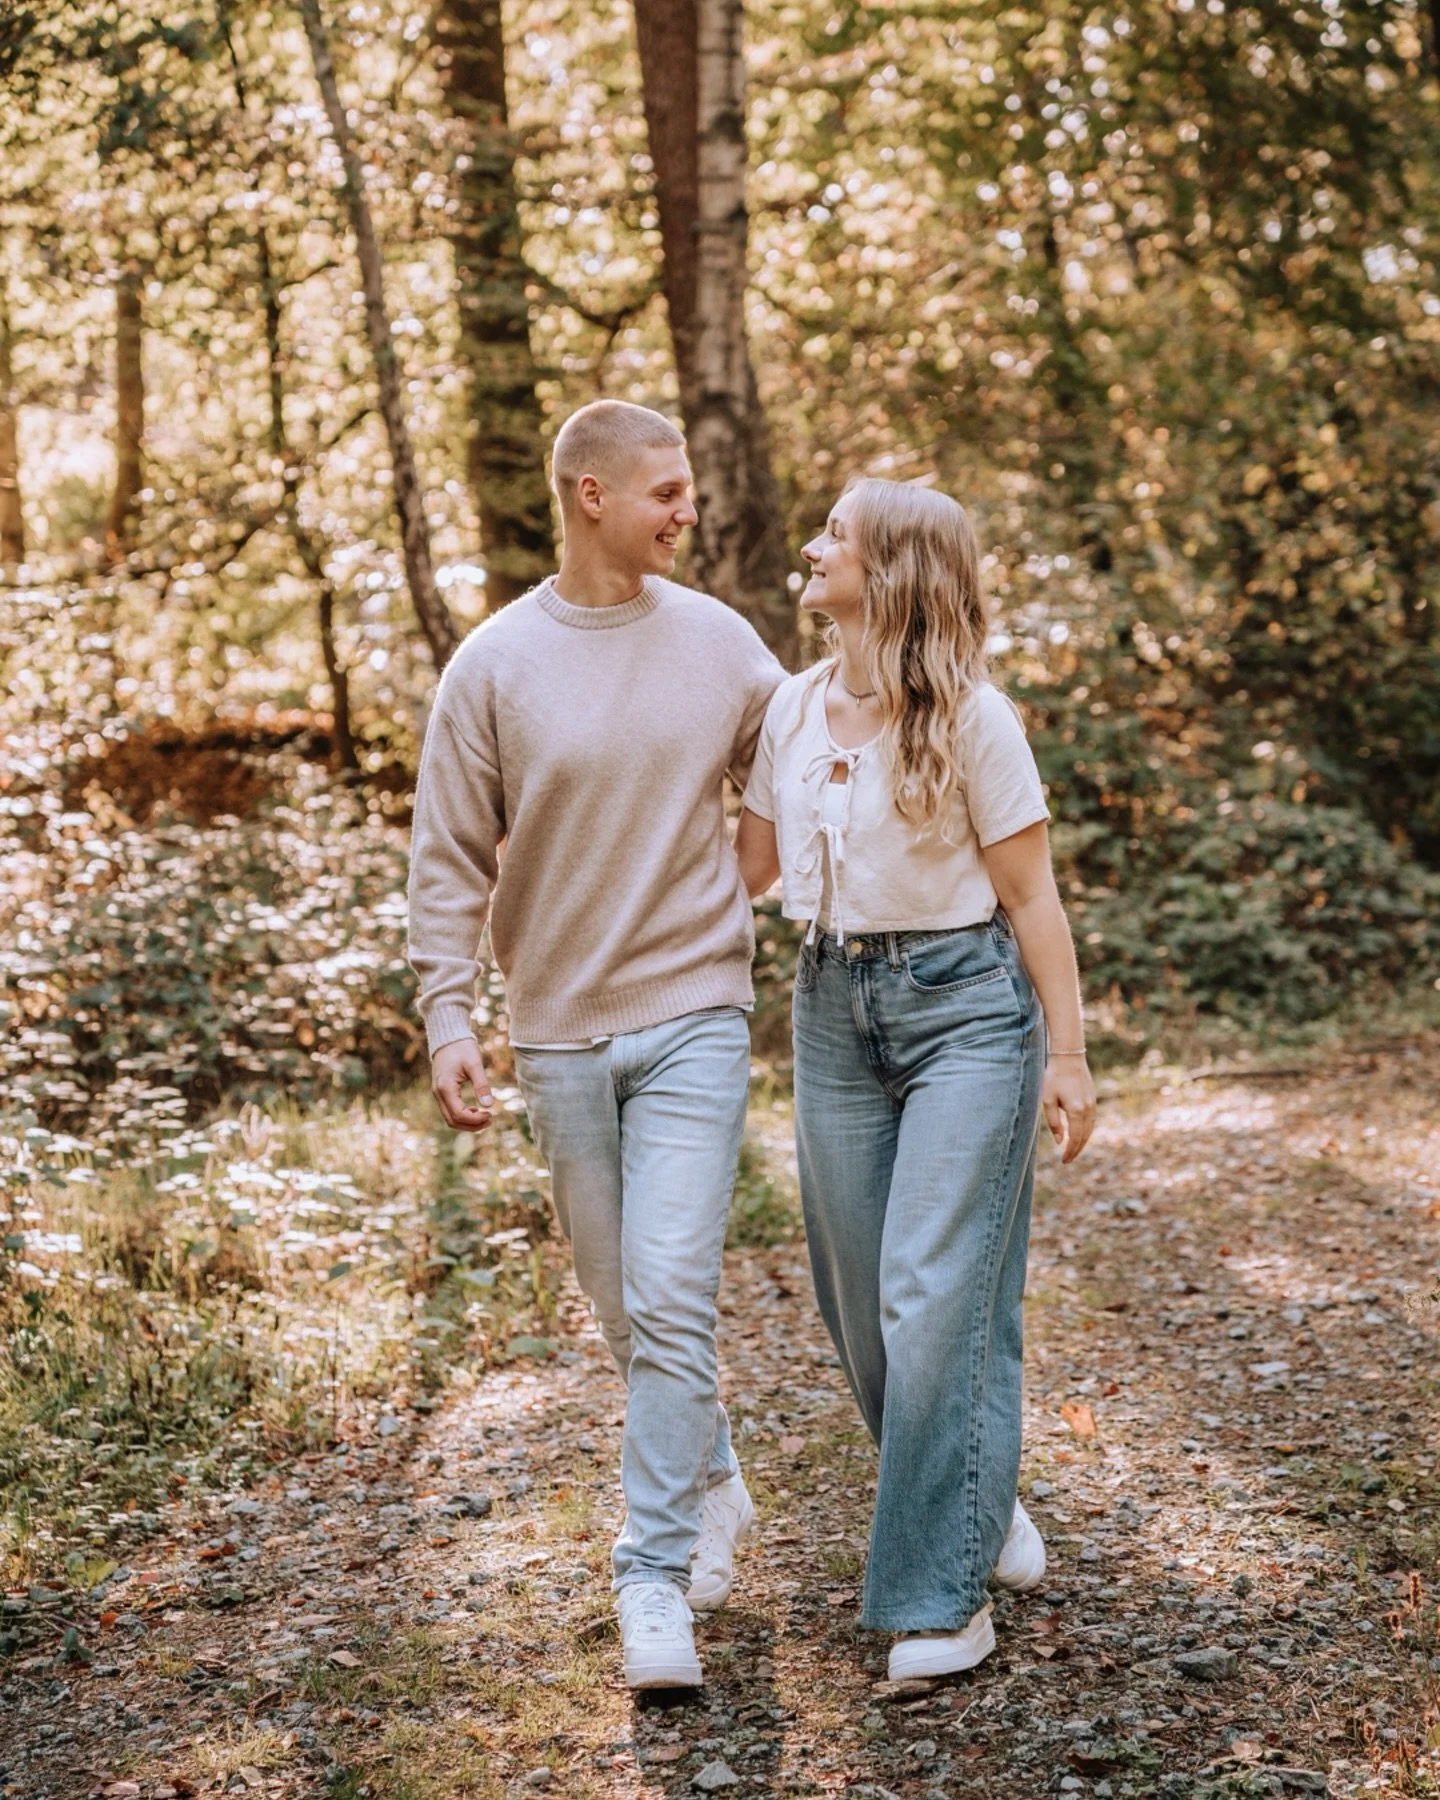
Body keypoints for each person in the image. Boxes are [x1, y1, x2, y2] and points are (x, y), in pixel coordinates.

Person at [407, 400, 785, 1689]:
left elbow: (794, 778)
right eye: (667, 493)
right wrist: (449, 1012)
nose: (689, 512)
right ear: (590, 495)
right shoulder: (497, 664)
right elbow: (450, 853)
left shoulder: (724, 643)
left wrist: (727, 896)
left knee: (674, 1289)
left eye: (688, 492)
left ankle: (651, 1576)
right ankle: (716, 1479)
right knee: (628, 1309)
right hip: (558, 1030)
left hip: (694, 1015)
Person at [736, 477, 1096, 1681]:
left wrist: (1071, 1052)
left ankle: (943, 1601)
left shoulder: (976, 720)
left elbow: (1033, 896)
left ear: (890, 570)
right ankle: (977, 1503)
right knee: (858, 1303)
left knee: (933, 1290)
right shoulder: (788, 709)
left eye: (834, 532)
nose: (811, 544)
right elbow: (738, 873)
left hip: (967, 1016)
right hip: (830, 1011)